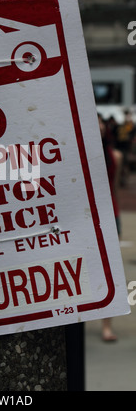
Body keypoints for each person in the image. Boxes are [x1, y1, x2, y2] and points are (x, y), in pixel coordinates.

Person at [98, 114, 123, 342]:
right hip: (87, 218)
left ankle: (107, 325)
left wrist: (115, 219)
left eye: (101, 122)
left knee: (110, 274)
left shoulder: (116, 156)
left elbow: (113, 190)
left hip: (110, 214)